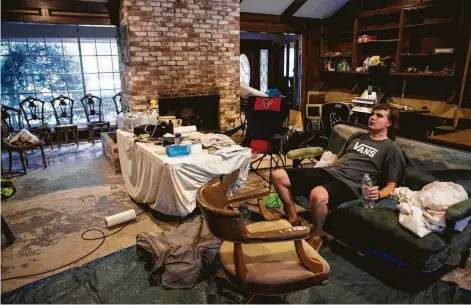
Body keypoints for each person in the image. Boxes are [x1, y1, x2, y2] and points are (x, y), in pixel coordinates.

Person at [271, 104, 406, 251]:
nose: (372, 117)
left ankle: (316, 234)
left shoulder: (391, 149)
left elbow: (392, 185)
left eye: (379, 115)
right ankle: (293, 217)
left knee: (317, 195)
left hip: (351, 183)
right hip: (331, 172)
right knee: (277, 175)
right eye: (372, 114)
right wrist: (323, 168)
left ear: (389, 123)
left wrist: (379, 194)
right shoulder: (357, 136)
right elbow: (339, 158)